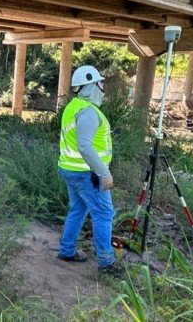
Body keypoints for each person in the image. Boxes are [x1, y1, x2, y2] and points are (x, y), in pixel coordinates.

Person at [56, 65, 121, 275]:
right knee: (104, 214)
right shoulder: (88, 112)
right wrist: (104, 172)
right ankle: (106, 262)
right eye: (100, 83)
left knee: (78, 210)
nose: (103, 87)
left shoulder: (73, 106)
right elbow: (84, 145)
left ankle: (67, 250)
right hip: (87, 174)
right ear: (91, 85)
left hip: (71, 169)